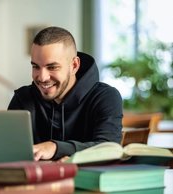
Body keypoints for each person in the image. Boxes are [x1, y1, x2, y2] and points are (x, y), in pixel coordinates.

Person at [7, 26, 123, 162]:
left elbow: (109, 150)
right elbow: (6, 150)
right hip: (31, 181)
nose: (42, 77)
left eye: (52, 67)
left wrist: (55, 148)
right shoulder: (22, 98)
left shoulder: (105, 97)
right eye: (36, 66)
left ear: (74, 65)